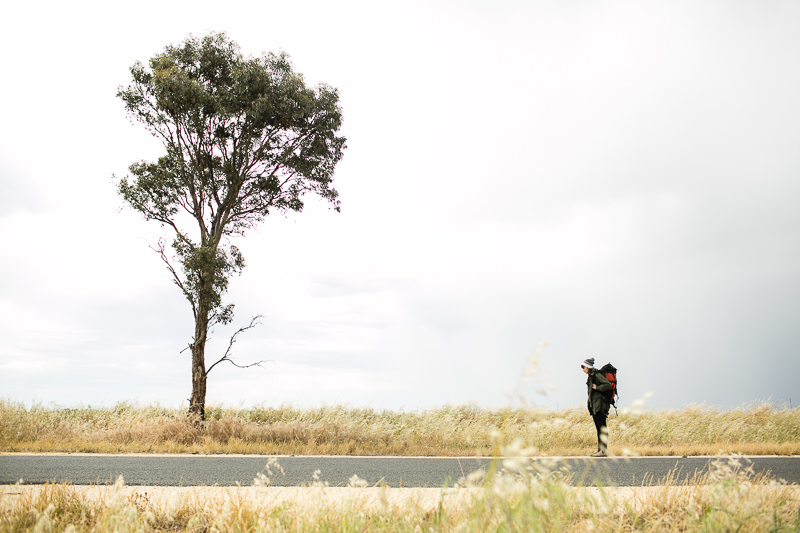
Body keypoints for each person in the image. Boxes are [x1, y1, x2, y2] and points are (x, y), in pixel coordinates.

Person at [581, 358, 612, 457]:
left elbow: (608, 384)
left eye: (583, 367)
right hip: (595, 406)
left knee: (602, 428)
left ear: (588, 367)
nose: (583, 369)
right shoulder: (591, 376)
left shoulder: (596, 375)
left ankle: (603, 451)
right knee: (599, 428)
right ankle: (600, 450)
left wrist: (598, 388)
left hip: (600, 406)